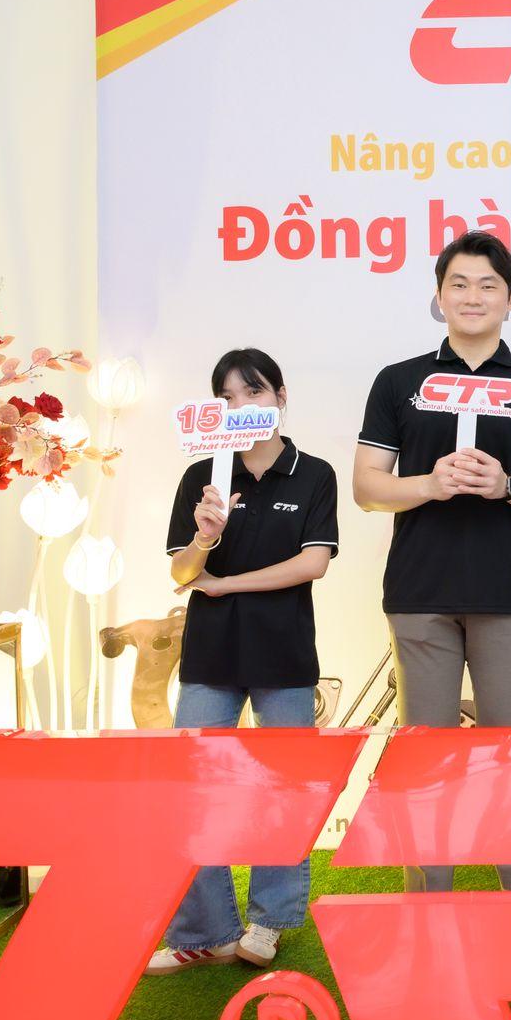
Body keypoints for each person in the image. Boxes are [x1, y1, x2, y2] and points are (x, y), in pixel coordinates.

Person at [353, 231, 511, 893]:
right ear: (439, 295)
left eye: (488, 285)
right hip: (419, 593)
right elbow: (367, 485)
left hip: (509, 594)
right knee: (425, 757)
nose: (473, 296)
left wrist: (505, 485)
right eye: (459, 284)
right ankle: (428, 900)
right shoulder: (400, 382)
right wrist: (430, 483)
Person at [148, 348, 339, 974]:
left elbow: (313, 563)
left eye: (253, 393)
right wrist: (205, 536)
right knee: (194, 788)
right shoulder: (201, 476)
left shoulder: (314, 474)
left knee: (283, 789)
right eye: (227, 398)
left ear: (280, 397)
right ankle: (205, 930)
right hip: (211, 653)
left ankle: (269, 922)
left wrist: (227, 584)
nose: (241, 407)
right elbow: (182, 573)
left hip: (284, 652)